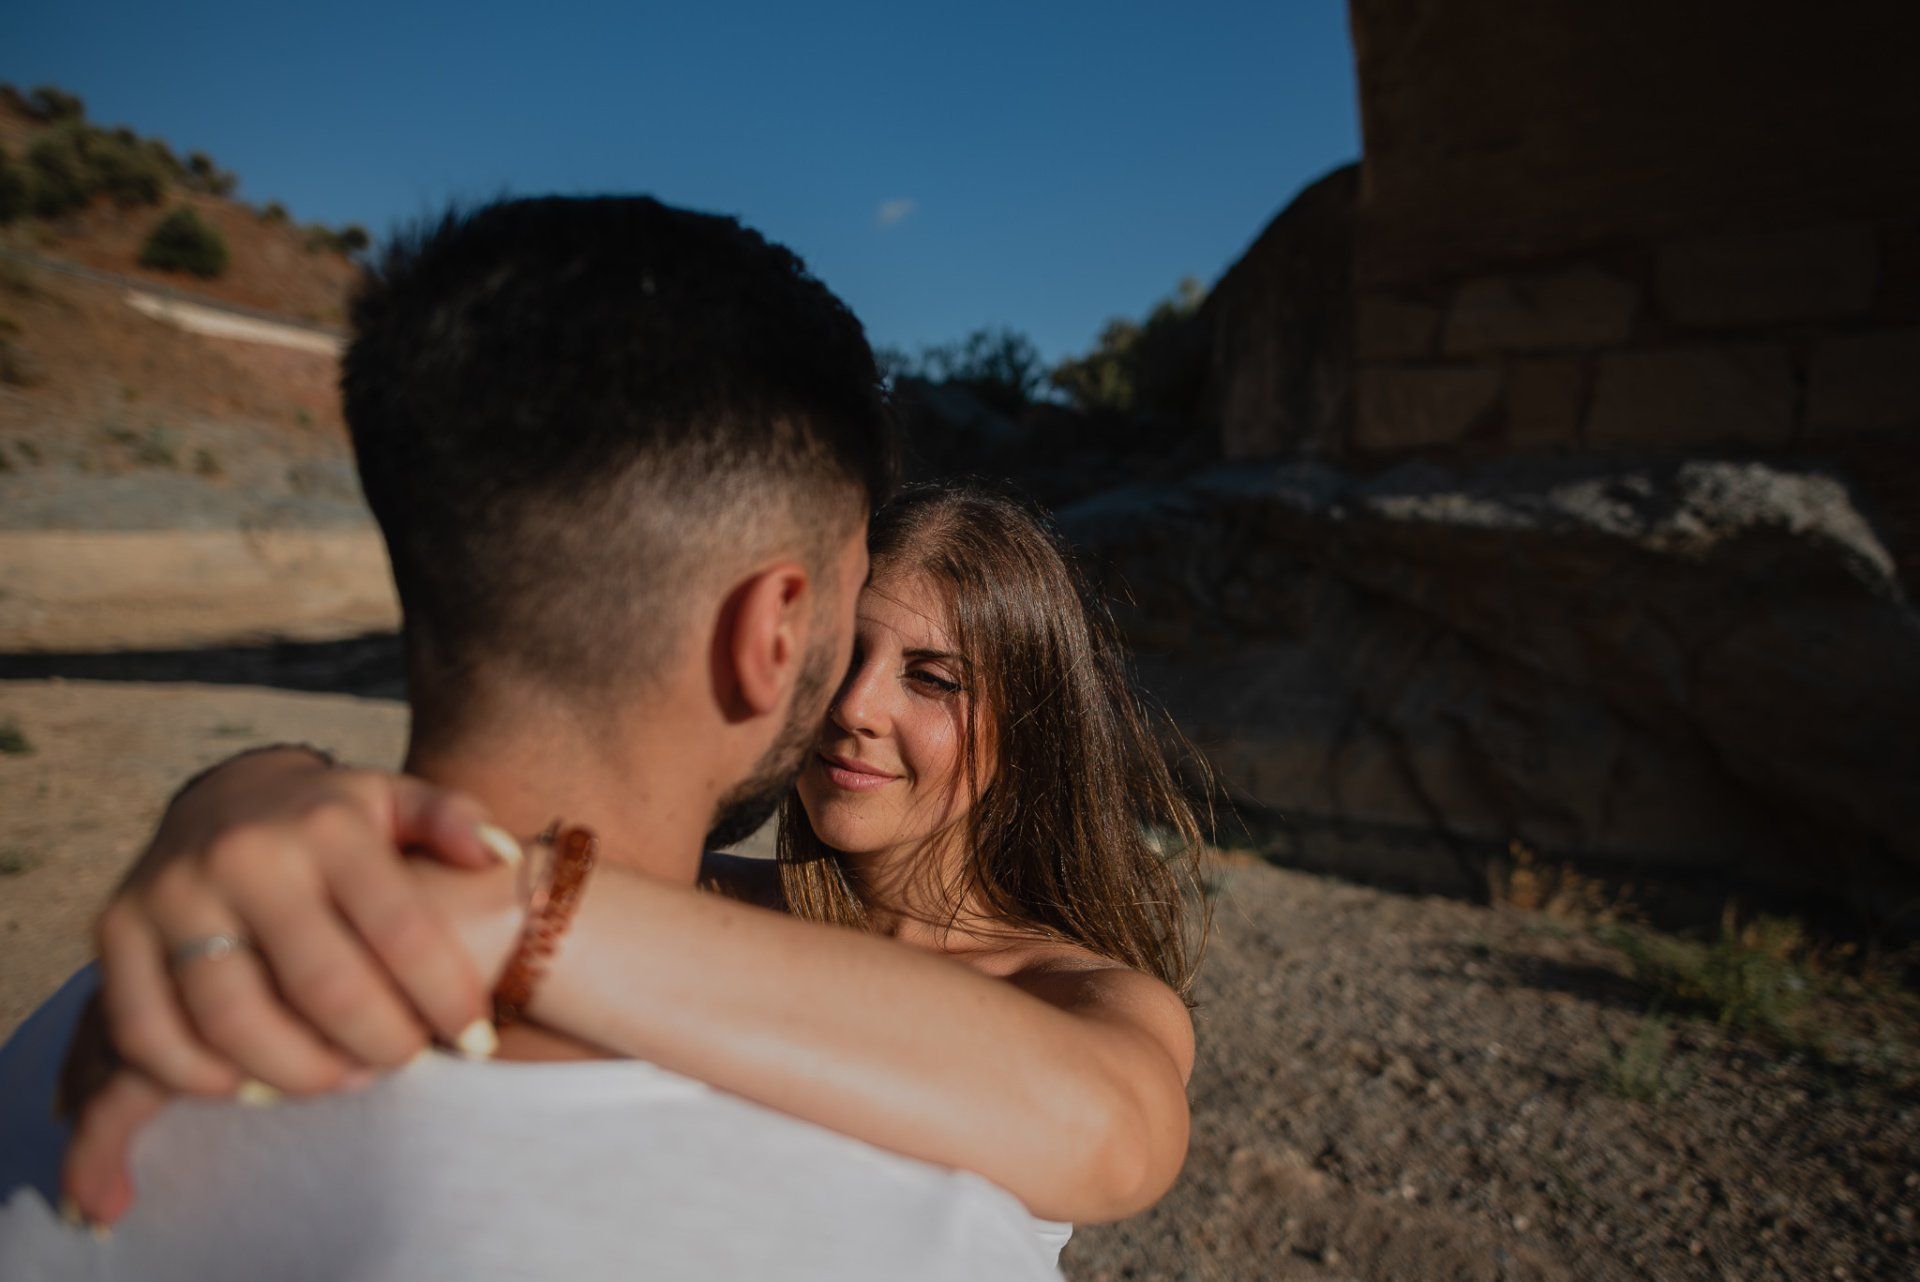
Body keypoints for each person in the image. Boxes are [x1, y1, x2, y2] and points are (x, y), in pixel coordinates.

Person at [0, 194, 1072, 1281]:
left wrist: (242, 782)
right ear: (777, 630)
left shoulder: (79, 1044)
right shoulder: (913, 1222)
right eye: (850, 603)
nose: (855, 700)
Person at [48, 481, 1211, 1262]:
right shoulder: (704, 902)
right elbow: (463, 815)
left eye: (933, 678)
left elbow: (1113, 1133)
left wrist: (515, 914)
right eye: (844, 656)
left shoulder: (1079, 991)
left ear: (1031, 722)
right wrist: (251, 785)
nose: (857, 707)